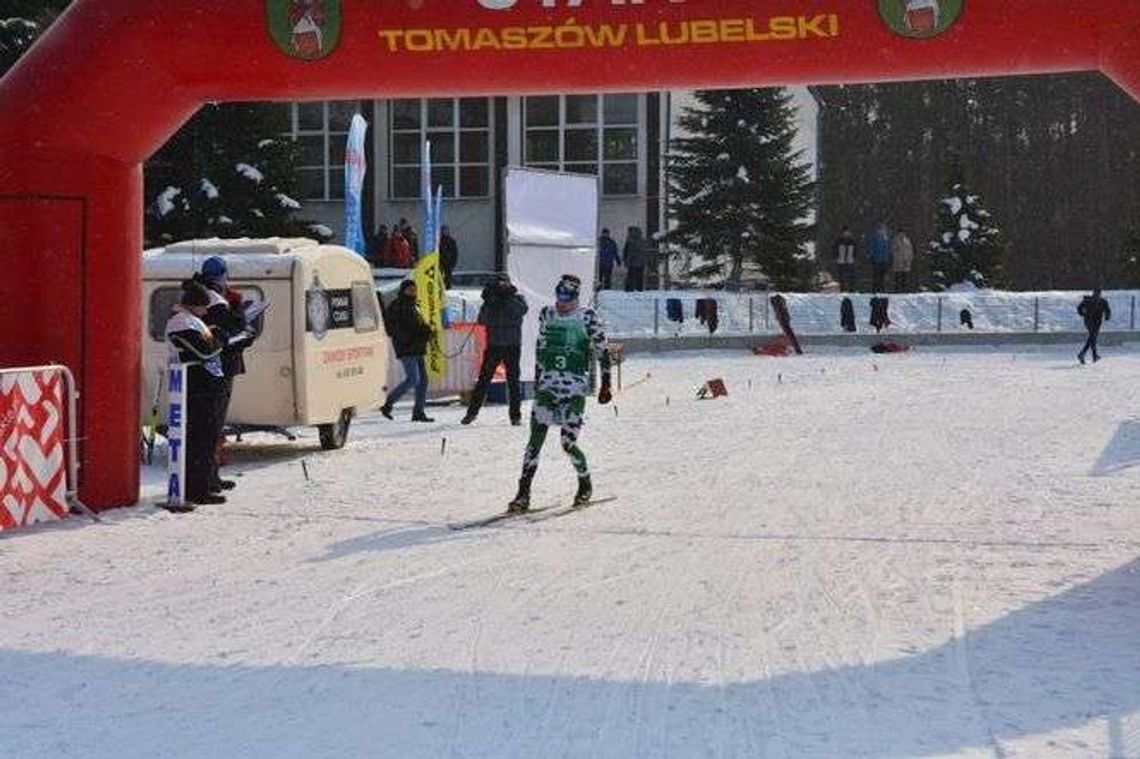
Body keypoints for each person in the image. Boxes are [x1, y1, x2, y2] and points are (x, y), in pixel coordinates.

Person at [508, 274, 612, 512]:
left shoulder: (587, 317)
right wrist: (537, 379)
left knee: (567, 444)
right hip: (547, 388)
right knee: (534, 442)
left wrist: (606, 384)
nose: (561, 303)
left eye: (566, 299)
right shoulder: (547, 314)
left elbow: (602, 351)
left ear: (575, 298)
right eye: (559, 297)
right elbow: (541, 346)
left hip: (573, 389)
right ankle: (523, 493)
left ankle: (584, 482)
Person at [165, 279, 227, 509]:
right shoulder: (180, 322)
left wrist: (215, 338)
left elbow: (208, 345)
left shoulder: (193, 320)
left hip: (208, 387)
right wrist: (218, 339)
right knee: (199, 441)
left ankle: (206, 484)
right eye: (204, 307)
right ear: (194, 304)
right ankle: (196, 490)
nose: (206, 311)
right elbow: (203, 350)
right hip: (197, 389)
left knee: (208, 439)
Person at [195, 256, 253, 494]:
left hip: (218, 365)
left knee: (213, 426)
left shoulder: (209, 295)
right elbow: (231, 327)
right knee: (209, 426)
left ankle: (212, 475)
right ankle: (205, 479)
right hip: (215, 365)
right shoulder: (213, 299)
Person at [461, 274, 528, 426]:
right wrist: (490, 301)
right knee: (484, 380)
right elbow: (482, 320)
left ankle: (515, 416)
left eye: (505, 282)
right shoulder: (491, 300)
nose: (502, 286)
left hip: (512, 345)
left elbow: (521, 311)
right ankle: (471, 413)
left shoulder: (517, 299)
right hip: (494, 344)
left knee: (513, 382)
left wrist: (507, 297)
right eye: (499, 283)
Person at [380, 279, 434, 422]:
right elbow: (397, 328)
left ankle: (418, 412)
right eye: (409, 289)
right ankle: (388, 403)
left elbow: (418, 325)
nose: (412, 292)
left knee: (423, 381)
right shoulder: (398, 306)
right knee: (413, 379)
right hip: (407, 347)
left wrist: (426, 331)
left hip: (417, 347)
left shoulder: (414, 305)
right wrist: (422, 332)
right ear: (403, 290)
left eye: (414, 289)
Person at [1077, 287, 1111, 364]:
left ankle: (1093, 355)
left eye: (1098, 294)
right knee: (1092, 336)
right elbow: (1079, 308)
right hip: (1089, 321)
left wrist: (1107, 316)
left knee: (1093, 338)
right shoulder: (1087, 300)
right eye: (1095, 293)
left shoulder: (1103, 302)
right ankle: (1083, 354)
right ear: (1093, 293)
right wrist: (1083, 312)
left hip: (1098, 322)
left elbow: (1107, 310)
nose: (1097, 295)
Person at [866, 222, 892, 292]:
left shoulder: (885, 237)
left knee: (881, 276)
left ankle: (880, 288)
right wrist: (870, 255)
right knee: (877, 275)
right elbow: (872, 247)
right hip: (878, 259)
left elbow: (888, 249)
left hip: (883, 260)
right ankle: (876, 289)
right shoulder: (876, 236)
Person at [623, 226, 647, 292]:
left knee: (631, 276)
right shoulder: (642, 240)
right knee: (639, 276)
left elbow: (628, 251)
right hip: (641, 262)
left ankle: (629, 288)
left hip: (633, 261)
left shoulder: (630, 240)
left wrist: (626, 260)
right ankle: (639, 288)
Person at [834, 227, 857, 292]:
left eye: (847, 232)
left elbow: (855, 250)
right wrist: (836, 257)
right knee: (841, 276)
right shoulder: (839, 241)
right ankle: (842, 289)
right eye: (845, 232)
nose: (846, 234)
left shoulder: (852, 241)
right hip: (841, 260)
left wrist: (854, 257)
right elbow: (835, 249)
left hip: (850, 260)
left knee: (851, 276)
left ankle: (851, 289)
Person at [439, 225, 459, 289]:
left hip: (448, 263)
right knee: (439, 276)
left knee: (448, 276)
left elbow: (455, 253)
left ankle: (447, 287)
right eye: (443, 230)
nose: (445, 232)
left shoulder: (451, 241)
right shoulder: (438, 241)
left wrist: (453, 263)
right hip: (440, 262)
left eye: (446, 230)